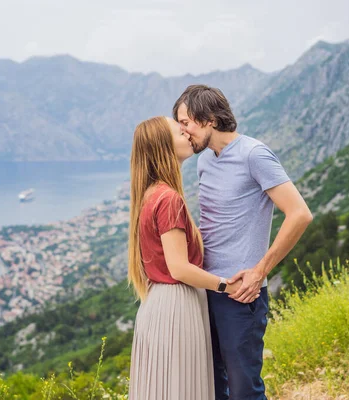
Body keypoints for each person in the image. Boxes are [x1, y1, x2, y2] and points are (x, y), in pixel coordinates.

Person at [173, 84, 313, 400]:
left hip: (240, 295)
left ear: (208, 118)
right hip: (207, 289)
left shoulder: (254, 154)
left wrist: (260, 270)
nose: (182, 132)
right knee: (211, 387)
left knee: (243, 391)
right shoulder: (204, 160)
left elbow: (300, 214)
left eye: (185, 123)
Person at [127, 116, 241, 400]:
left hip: (159, 304)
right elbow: (179, 268)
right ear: (164, 145)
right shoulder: (169, 199)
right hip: (178, 306)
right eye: (180, 132)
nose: (188, 135)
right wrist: (227, 286)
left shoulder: (150, 195)